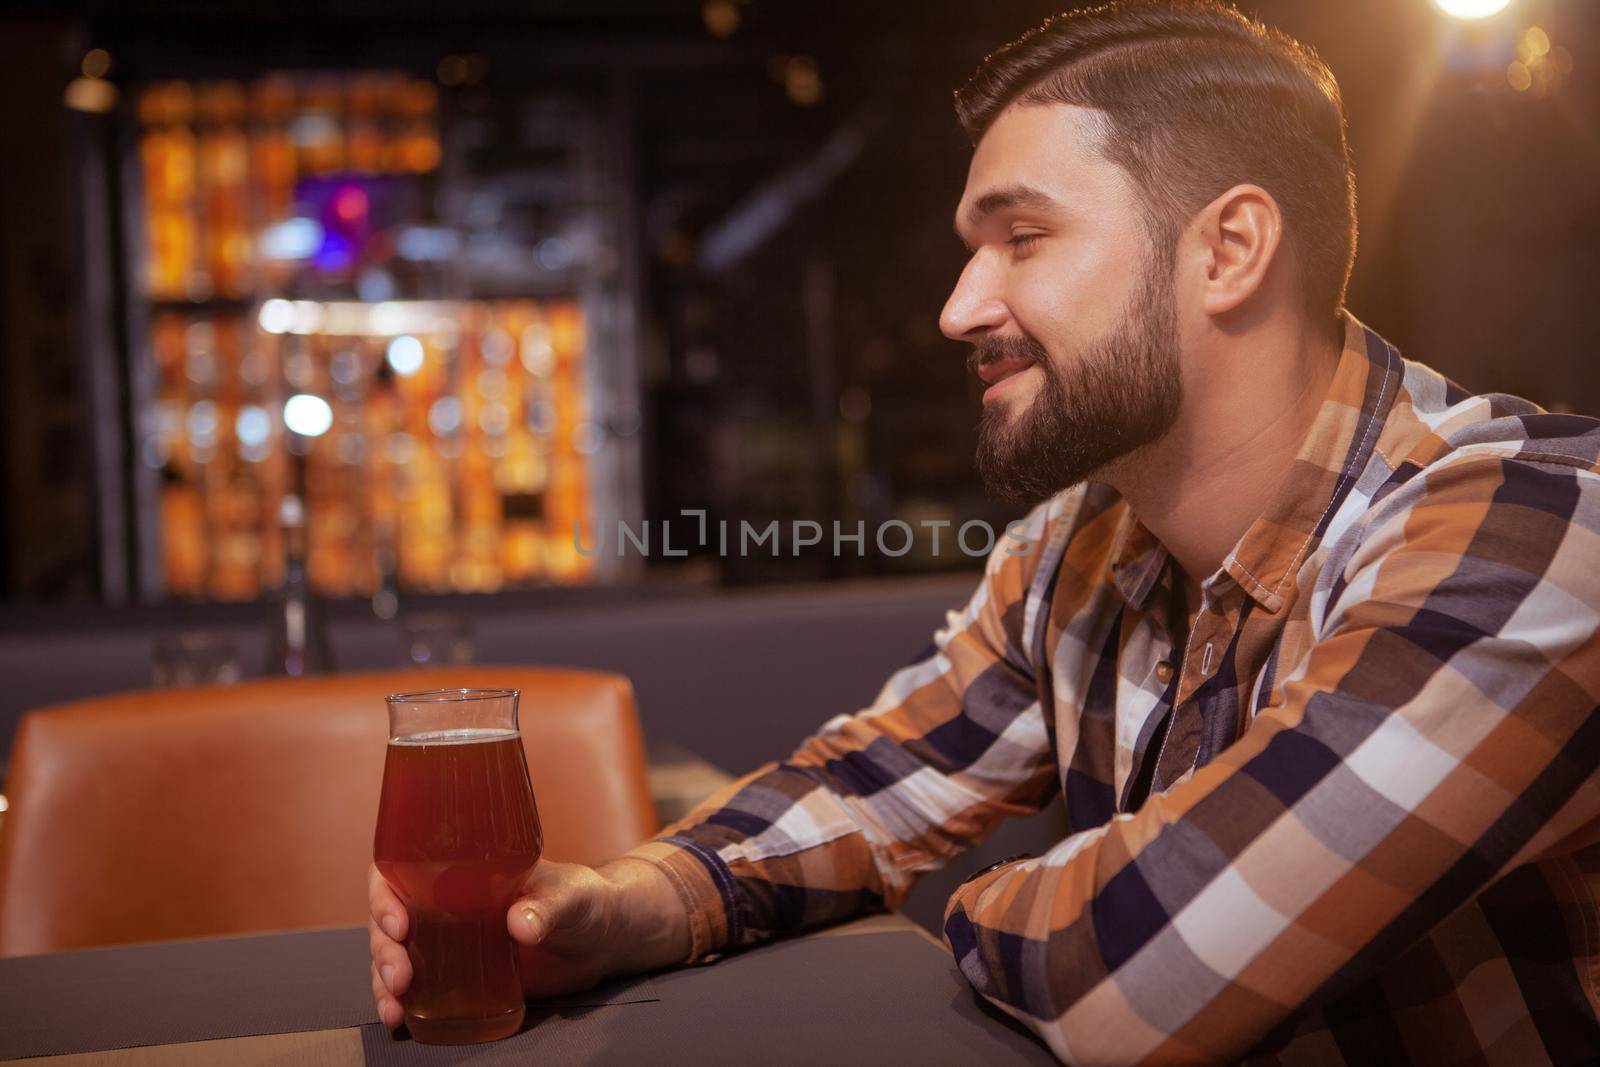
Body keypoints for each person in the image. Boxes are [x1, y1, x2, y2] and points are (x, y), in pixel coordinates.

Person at [370, 2, 1600, 1061]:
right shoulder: (1084, 550)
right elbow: (872, 781)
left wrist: (974, 903)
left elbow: (1145, 976)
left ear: (1227, 248)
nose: (961, 308)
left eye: (1023, 238)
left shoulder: (1531, 530)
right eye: (970, 251)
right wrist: (624, 902)